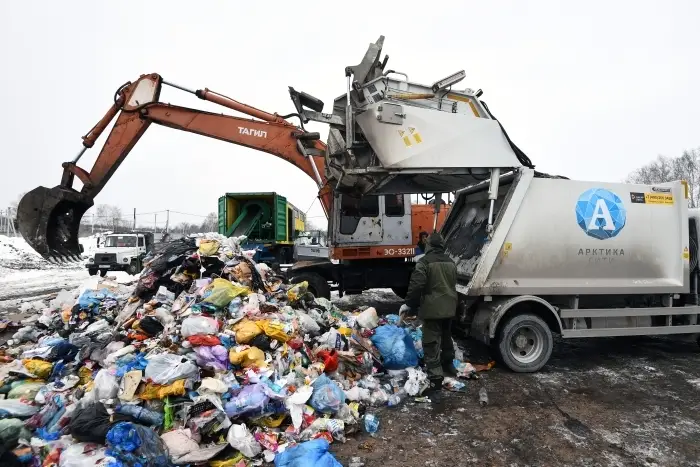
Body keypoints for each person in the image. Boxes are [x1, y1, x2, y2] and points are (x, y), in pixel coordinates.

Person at [400, 232, 458, 395]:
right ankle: (449, 365)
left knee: (431, 342)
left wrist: (410, 304)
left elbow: (417, 286)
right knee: (446, 337)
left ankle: (435, 379)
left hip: (433, 309)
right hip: (449, 307)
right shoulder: (451, 262)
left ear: (430, 245)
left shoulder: (424, 262)